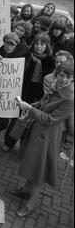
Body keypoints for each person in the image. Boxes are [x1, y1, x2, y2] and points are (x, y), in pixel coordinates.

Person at [11, 61, 74, 217]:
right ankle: (26, 190)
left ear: (72, 78)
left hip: (48, 136)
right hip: (39, 131)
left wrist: (30, 109)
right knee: (33, 163)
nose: (64, 79)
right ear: (56, 74)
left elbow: (51, 119)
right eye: (61, 75)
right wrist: (31, 104)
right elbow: (43, 103)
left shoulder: (70, 99)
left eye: (68, 77)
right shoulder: (55, 87)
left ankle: (31, 204)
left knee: (39, 170)